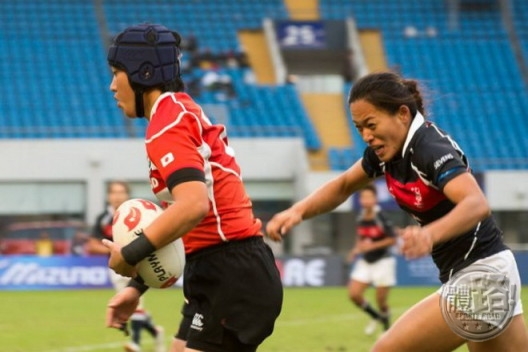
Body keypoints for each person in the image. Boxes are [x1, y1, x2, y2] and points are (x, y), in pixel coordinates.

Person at [266, 71, 528, 351]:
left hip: (481, 275)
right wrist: (298, 212)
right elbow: (343, 186)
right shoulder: (388, 153)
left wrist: (429, 234)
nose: (366, 136)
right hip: (486, 273)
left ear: (402, 114)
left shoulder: (427, 147)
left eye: (371, 124)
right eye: (359, 128)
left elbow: (476, 203)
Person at [102, 23, 283, 352]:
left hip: (231, 272)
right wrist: (135, 287)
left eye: (117, 72)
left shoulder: (167, 124)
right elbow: (184, 219)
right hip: (222, 269)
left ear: (143, 73)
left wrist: (130, 254)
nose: (113, 85)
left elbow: (193, 206)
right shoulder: (177, 112)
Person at [86, 180, 165, 352]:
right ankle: (156, 332)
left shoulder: (137, 214)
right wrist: (116, 252)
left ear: (127, 194)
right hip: (116, 267)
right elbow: (92, 245)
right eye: (114, 192)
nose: (117, 196)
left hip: (138, 265)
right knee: (134, 305)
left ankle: (135, 343)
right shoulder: (104, 218)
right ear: (108, 196)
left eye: (121, 192)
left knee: (136, 303)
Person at [346, 184, 396, 336]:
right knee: (354, 294)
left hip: (383, 261)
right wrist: (356, 249)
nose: (366, 200)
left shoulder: (381, 217)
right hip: (366, 261)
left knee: (381, 300)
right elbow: (360, 237)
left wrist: (372, 246)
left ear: (375, 199)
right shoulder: (361, 217)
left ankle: (386, 329)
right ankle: (376, 317)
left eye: (369, 197)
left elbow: (392, 239)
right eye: (363, 197)